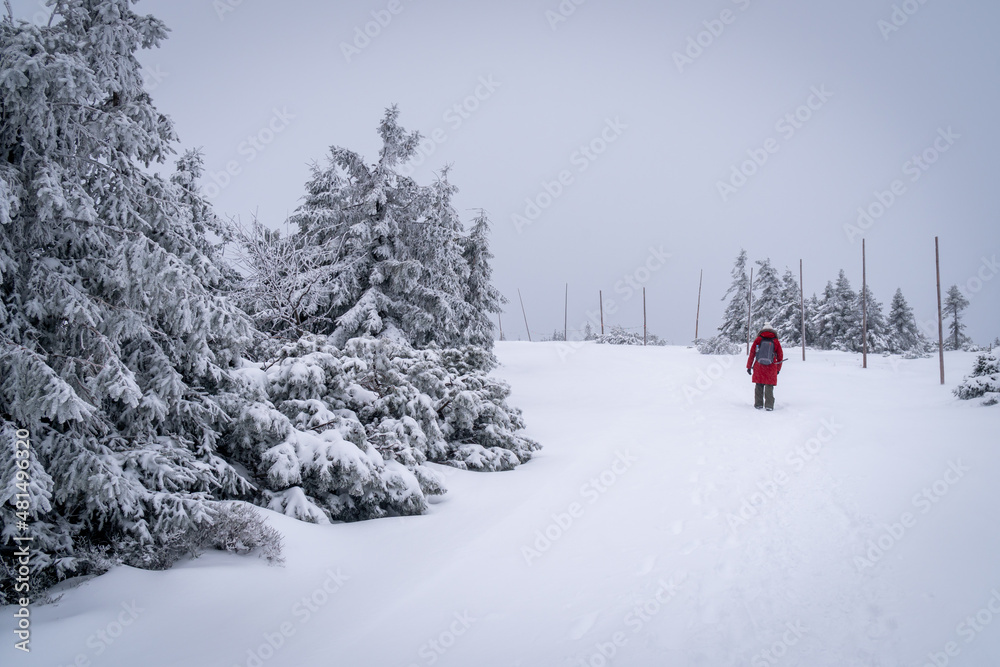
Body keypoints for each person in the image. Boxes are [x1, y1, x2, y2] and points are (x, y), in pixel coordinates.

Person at [746, 322, 784, 411]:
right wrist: (778, 368)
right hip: (771, 366)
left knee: (759, 385)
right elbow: (780, 355)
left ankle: (758, 404)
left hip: (759, 366)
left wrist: (749, 366)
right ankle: (769, 405)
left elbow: (752, 353)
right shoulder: (775, 340)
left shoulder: (758, 339)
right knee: (769, 386)